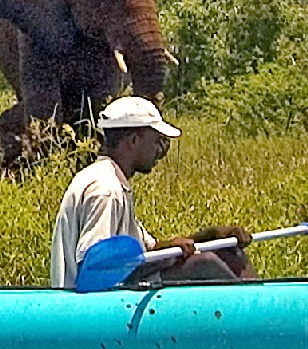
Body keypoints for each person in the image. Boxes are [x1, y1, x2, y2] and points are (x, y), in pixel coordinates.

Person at [50, 96, 250, 290]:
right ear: (134, 141)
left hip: (116, 288)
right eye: (155, 141)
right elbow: (96, 266)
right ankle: (257, 317)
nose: (158, 150)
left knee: (229, 254)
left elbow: (151, 250)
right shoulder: (105, 189)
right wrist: (173, 256)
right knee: (204, 263)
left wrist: (212, 237)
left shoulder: (114, 181)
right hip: (94, 303)